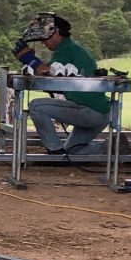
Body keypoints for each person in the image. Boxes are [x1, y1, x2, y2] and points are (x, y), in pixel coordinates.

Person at [14, 14, 111, 156]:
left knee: (36, 106)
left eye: (45, 38)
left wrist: (30, 60)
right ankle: (110, 150)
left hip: (88, 110)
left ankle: (54, 151)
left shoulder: (66, 50)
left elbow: (46, 72)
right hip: (100, 112)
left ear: (58, 33)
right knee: (73, 151)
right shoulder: (71, 48)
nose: (43, 43)